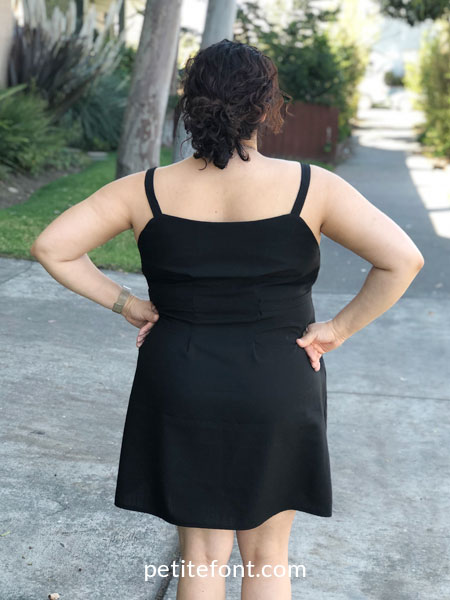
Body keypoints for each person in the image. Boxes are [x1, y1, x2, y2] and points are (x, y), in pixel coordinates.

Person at [30, 39, 424, 600]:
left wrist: (129, 305)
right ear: (265, 107)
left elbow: (52, 246)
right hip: (277, 383)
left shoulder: (145, 190)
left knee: (200, 557)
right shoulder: (312, 188)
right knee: (267, 558)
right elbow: (403, 260)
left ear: (191, 106)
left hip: (182, 381)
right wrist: (335, 331)